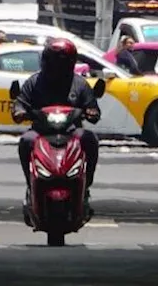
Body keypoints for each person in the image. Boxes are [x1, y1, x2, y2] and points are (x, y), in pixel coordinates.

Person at [11, 39, 101, 202]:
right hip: (41, 132)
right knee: (26, 141)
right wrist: (19, 111)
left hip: (72, 132)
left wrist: (91, 111)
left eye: (60, 62)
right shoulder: (34, 82)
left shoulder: (80, 84)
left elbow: (92, 107)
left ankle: (86, 183)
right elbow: (21, 102)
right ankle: (31, 185)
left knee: (90, 139)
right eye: (52, 61)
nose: (55, 66)